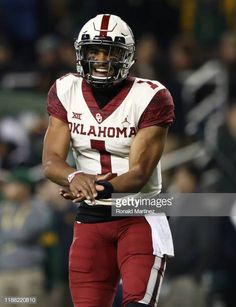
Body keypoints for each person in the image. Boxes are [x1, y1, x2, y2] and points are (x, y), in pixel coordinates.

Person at [42, 14, 175, 307]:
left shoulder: (151, 96)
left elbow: (139, 172)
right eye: (94, 51)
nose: (101, 59)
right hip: (91, 219)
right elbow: (51, 161)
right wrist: (75, 177)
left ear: (125, 56)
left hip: (140, 212)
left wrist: (97, 187)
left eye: (110, 51)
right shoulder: (66, 89)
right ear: (82, 53)